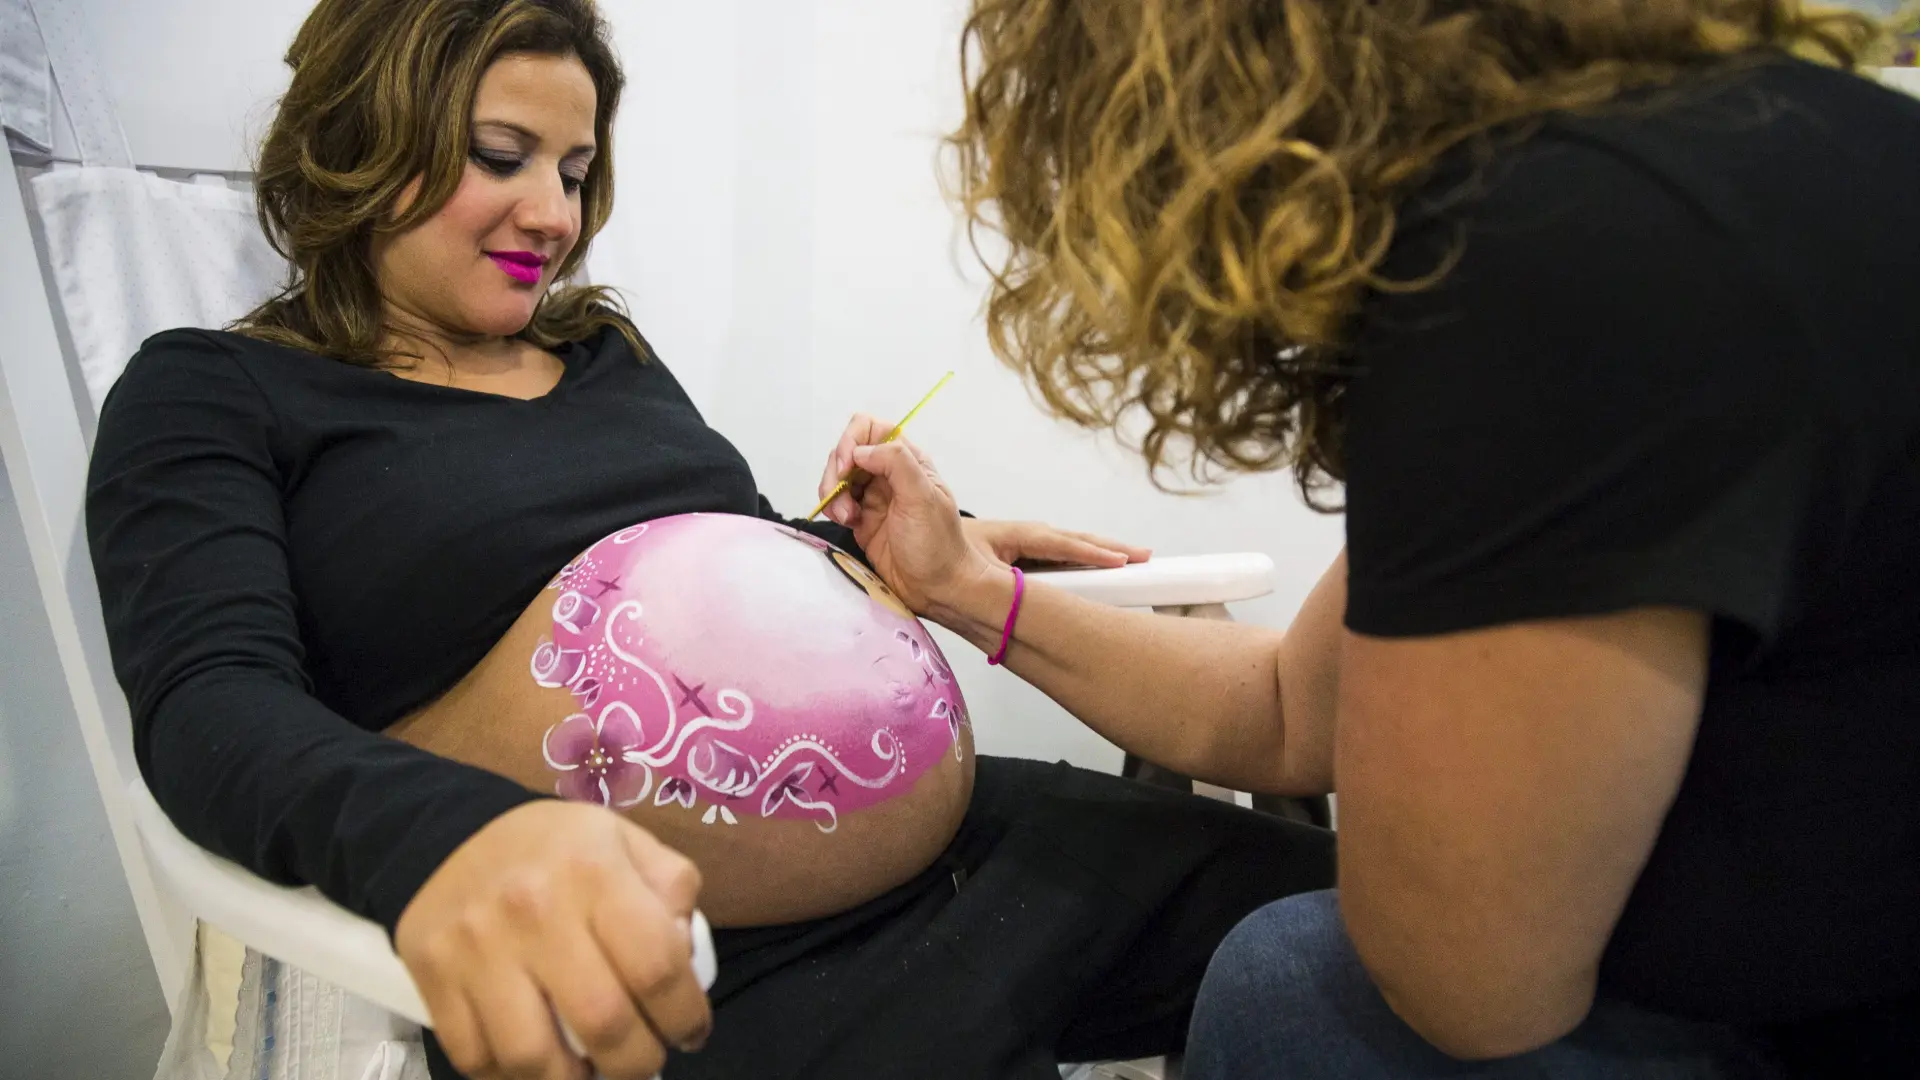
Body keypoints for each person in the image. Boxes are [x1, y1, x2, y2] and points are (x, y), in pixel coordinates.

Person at [83, 1, 1335, 1079]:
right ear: (366, 141)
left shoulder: (600, 352)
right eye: (500, 155)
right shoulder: (217, 392)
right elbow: (210, 706)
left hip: (967, 860)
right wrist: (449, 844)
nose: (553, 213)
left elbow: (697, 570)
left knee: (1341, 915)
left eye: (573, 171)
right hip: (675, 965)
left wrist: (864, 557)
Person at [819, 1, 1920, 1077]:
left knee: (1289, 988)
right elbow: (1294, 711)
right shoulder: (1794, 136)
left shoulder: (1554, 258)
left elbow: (1466, 987)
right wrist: (965, 585)